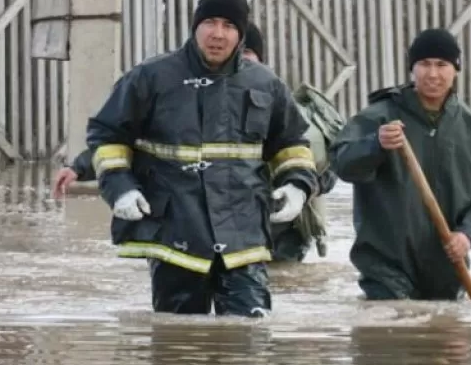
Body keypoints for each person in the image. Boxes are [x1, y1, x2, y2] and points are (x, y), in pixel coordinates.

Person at [84, 0, 319, 317]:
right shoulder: (150, 77)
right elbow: (106, 134)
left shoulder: (266, 84)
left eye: (229, 25)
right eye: (210, 22)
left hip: (243, 232)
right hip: (176, 232)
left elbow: (292, 143)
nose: (218, 34)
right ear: (195, 27)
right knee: (178, 343)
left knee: (249, 337)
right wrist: (120, 189)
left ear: (240, 34)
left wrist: (297, 186)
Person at [52, 22, 341, 263]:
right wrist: (80, 167)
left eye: (250, 52)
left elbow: (323, 166)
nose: (244, 57)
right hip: (213, 228)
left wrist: (299, 188)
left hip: (276, 233)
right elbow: (142, 143)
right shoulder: (189, 97)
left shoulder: (277, 102)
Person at [327, 28, 471, 301]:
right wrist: (375, 144)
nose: (432, 74)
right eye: (424, 64)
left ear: (455, 69)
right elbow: (341, 163)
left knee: (446, 333)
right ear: (412, 69)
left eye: (441, 65)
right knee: (394, 333)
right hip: (386, 270)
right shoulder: (379, 116)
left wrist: (467, 236)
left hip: (448, 270)